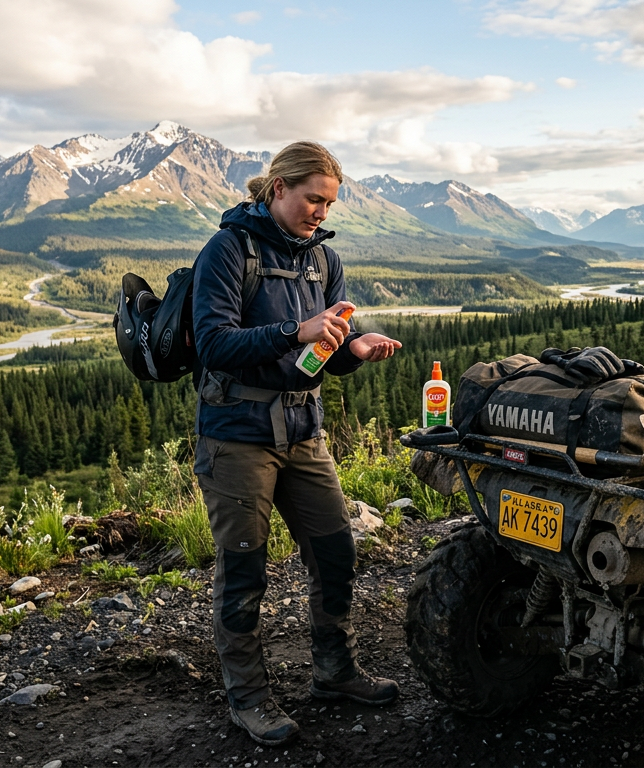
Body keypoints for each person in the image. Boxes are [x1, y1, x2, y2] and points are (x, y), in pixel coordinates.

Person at [191, 141, 403, 746]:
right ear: (278, 188)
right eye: (313, 199)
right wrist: (296, 328)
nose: (321, 212)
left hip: (302, 430)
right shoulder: (229, 249)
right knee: (244, 569)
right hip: (237, 436)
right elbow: (213, 344)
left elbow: (321, 354)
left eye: (329, 203)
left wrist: (352, 348)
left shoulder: (321, 260)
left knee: (336, 551)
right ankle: (249, 698)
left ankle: (335, 672)